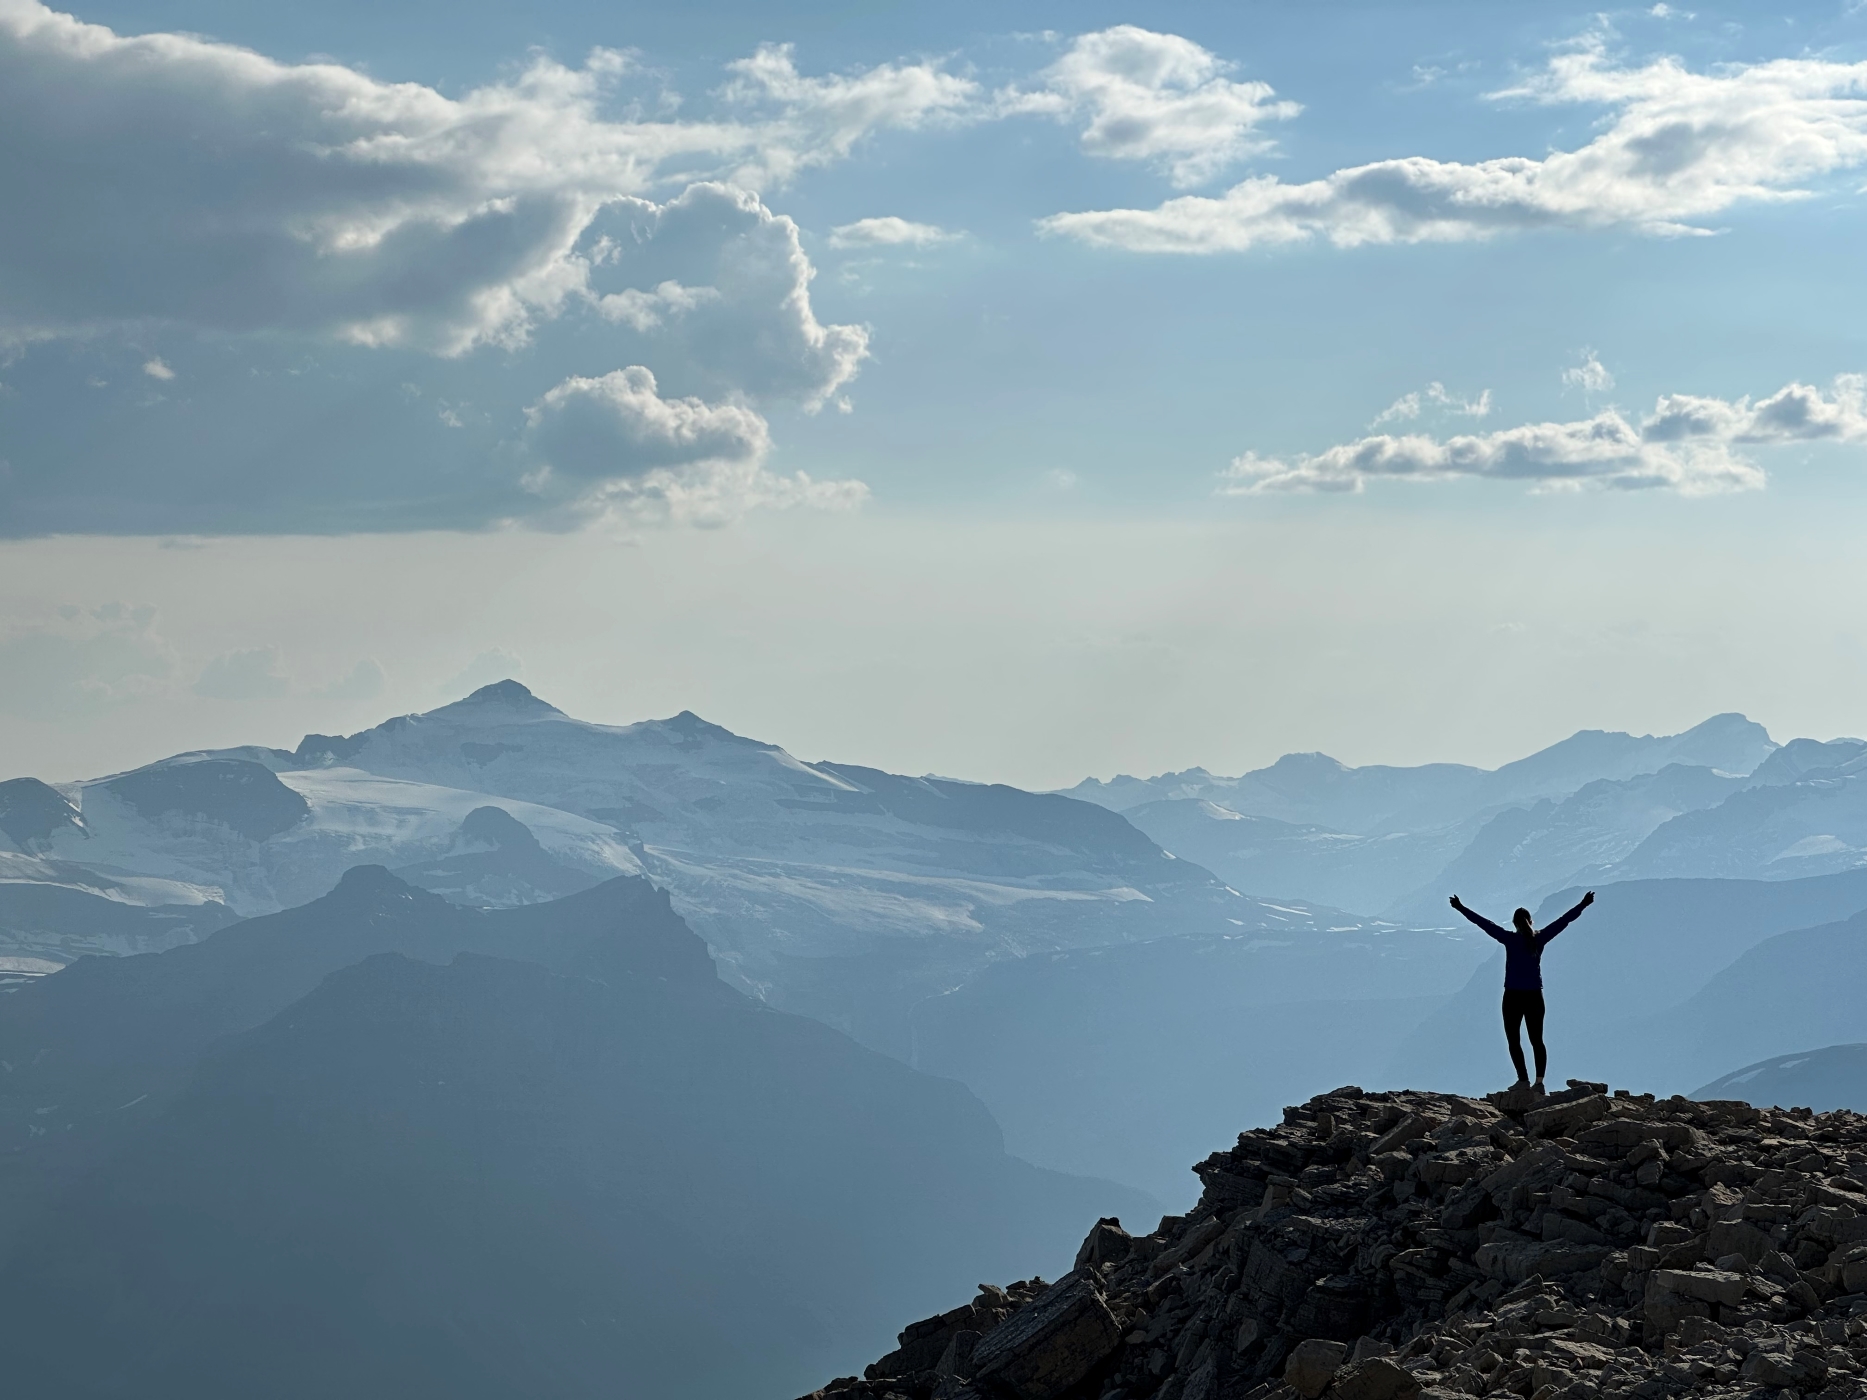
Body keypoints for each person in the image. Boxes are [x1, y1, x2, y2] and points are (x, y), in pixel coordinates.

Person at [1447, 890, 1595, 1095]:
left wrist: (1461, 907)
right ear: (1531, 922)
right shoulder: (1540, 938)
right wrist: (1583, 904)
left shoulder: (1509, 939)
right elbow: (1564, 921)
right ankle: (1540, 1082)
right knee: (1537, 1040)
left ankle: (1523, 1080)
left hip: (1513, 996)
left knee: (1514, 1040)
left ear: (1515, 924)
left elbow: (1484, 924)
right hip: (1535, 995)